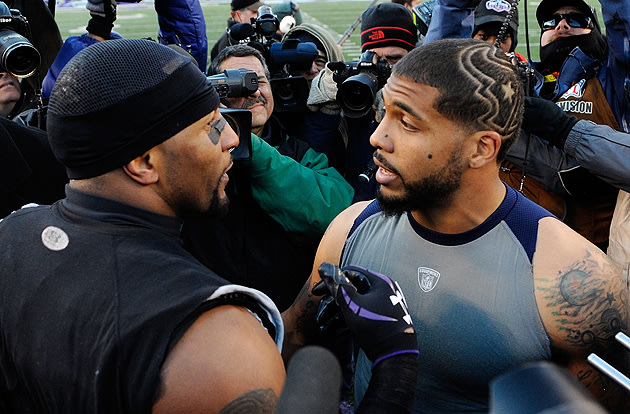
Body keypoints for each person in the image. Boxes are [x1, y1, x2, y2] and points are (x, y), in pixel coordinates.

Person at [282, 38, 630, 413]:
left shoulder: (572, 281)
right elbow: (296, 341)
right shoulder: (351, 228)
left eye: (408, 124)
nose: (377, 137)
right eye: (384, 113)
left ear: (482, 148)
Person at [182, 44, 353, 311]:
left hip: (288, 315)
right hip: (210, 314)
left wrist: (253, 149)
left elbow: (337, 211)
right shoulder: (193, 158)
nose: (254, 91)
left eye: (260, 81)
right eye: (238, 83)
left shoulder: (299, 151)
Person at [306, 2, 418, 201]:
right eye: (375, 59)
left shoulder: (426, 102)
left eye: (394, 60)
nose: (384, 69)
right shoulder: (354, 94)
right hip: (355, 211)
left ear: (414, 57)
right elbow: (317, 163)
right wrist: (326, 111)